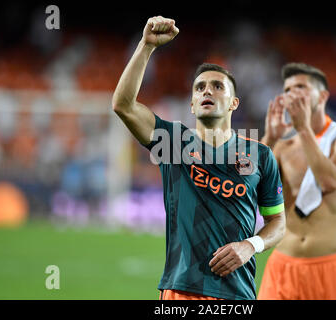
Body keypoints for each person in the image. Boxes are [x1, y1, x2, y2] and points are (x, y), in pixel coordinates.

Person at [112, 16, 286, 300]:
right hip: (180, 291)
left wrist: (250, 245)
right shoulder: (172, 143)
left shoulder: (261, 155)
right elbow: (123, 105)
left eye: (218, 86)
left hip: (237, 293)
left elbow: (278, 223)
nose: (207, 90)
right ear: (192, 105)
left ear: (234, 103)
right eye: (200, 87)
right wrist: (146, 46)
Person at [258, 63, 336, 300]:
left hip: (331, 266)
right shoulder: (283, 143)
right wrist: (269, 138)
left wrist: (303, 130)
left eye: (300, 86)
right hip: (282, 264)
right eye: (287, 89)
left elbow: (330, 181)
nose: (291, 94)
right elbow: (249, 186)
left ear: (322, 96)